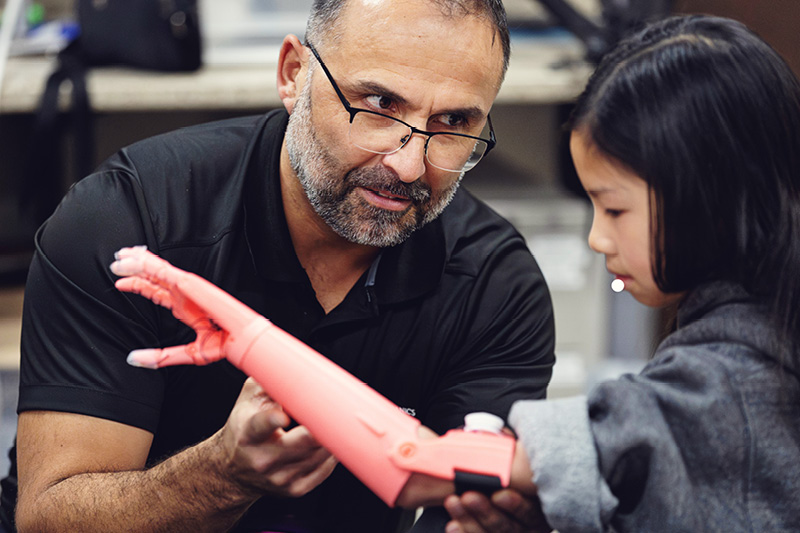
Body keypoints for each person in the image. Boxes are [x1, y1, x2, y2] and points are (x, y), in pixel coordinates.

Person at [1, 0, 557, 531]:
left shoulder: (495, 285)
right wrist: (221, 474)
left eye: (454, 120)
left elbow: (468, 502)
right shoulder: (130, 223)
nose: (410, 166)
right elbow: (49, 515)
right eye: (379, 106)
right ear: (294, 74)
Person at [426, 14, 800, 533]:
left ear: (711, 199)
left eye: (616, 210)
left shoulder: (740, 374)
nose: (597, 238)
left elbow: (647, 425)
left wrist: (432, 458)